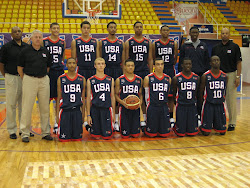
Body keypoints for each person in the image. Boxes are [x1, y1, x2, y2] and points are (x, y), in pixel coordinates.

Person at [17, 30, 53, 143]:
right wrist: (27, 79)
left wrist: (41, 76)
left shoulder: (45, 51)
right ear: (31, 38)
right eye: (36, 37)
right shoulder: (25, 51)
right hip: (29, 79)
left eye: (40, 37)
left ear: (42, 38)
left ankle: (45, 132)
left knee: (45, 108)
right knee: (27, 107)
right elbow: (19, 68)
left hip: (43, 80)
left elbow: (48, 67)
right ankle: (25, 133)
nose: (38, 39)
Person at [0, 26, 30, 139]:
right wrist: (6, 75)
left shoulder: (27, 47)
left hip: (25, 78)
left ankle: (24, 129)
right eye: (15, 32)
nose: (17, 33)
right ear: (11, 35)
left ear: (21, 33)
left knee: (24, 105)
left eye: (19, 31)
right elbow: (1, 64)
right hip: (11, 77)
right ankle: (12, 130)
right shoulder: (6, 47)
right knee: (11, 104)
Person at [211, 27, 242, 131]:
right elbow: (212, 62)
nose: (224, 35)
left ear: (229, 35)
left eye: (226, 33)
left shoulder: (235, 47)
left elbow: (239, 62)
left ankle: (232, 123)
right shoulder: (216, 48)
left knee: (231, 100)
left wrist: (238, 76)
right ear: (220, 34)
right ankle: (217, 121)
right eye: (222, 33)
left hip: (231, 74)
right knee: (217, 99)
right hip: (218, 76)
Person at [71, 20, 100, 128]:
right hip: (81, 70)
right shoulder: (76, 42)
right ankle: (82, 118)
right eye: (84, 28)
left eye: (88, 28)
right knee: (82, 96)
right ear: (81, 29)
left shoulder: (95, 41)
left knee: (93, 96)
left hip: (92, 70)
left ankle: (92, 118)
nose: (86, 30)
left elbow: (97, 58)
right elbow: (73, 60)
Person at [179, 26, 209, 124]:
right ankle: (187, 117)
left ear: (198, 33)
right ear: (190, 33)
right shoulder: (185, 46)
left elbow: (207, 61)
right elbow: (181, 61)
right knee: (188, 97)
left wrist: (205, 74)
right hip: (187, 76)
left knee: (199, 96)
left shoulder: (203, 45)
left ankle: (199, 116)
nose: (195, 34)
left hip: (200, 75)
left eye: (196, 32)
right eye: (193, 33)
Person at [125, 21, 153, 127]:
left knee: (145, 97)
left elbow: (150, 59)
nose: (139, 29)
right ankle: (130, 120)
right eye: (137, 27)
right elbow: (126, 59)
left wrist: (150, 74)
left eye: (141, 27)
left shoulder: (147, 42)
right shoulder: (129, 42)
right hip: (133, 72)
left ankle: (144, 119)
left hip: (145, 71)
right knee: (131, 97)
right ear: (134, 28)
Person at [99, 21, 125, 129]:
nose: (113, 29)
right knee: (106, 96)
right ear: (107, 29)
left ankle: (116, 121)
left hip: (117, 69)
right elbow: (100, 58)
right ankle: (106, 119)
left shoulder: (120, 43)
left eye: (114, 27)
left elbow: (123, 60)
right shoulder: (103, 42)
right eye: (111, 27)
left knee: (117, 95)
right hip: (107, 70)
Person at [43, 22, 66, 134]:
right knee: (46, 99)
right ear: (50, 29)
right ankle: (46, 123)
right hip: (49, 72)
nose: (56, 30)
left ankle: (57, 122)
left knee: (58, 99)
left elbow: (63, 57)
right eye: (54, 28)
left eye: (57, 28)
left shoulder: (62, 42)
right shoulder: (45, 41)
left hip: (59, 72)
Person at [153, 25, 178, 127]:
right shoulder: (156, 43)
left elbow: (175, 57)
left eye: (167, 30)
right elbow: (154, 57)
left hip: (169, 69)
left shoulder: (173, 43)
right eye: (164, 30)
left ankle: (171, 116)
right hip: (159, 69)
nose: (165, 32)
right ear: (160, 31)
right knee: (159, 91)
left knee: (170, 95)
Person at [56, 58, 85, 142]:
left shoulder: (81, 79)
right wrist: (57, 115)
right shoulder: (61, 79)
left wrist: (83, 114)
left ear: (76, 65)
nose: (72, 65)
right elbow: (59, 98)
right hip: (65, 111)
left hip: (77, 111)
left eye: (73, 63)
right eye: (69, 63)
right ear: (66, 65)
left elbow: (83, 99)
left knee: (77, 139)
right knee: (64, 140)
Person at [86, 58, 115, 139]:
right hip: (95, 109)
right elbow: (88, 98)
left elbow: (112, 96)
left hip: (106, 109)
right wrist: (88, 115)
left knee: (107, 136)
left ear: (105, 65)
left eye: (102, 63)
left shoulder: (110, 79)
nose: (101, 65)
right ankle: (89, 127)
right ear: (95, 66)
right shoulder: (90, 80)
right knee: (96, 137)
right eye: (98, 64)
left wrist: (114, 113)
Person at [199, 56, 227, 136]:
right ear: (210, 63)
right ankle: (202, 125)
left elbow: (225, 91)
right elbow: (201, 92)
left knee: (222, 132)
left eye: (218, 60)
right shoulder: (205, 76)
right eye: (214, 60)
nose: (216, 62)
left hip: (220, 104)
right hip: (209, 104)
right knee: (206, 133)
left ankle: (217, 125)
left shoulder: (225, 76)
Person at [115, 59, 143, 138]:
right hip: (124, 109)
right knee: (125, 135)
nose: (130, 67)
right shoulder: (119, 80)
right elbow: (116, 95)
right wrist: (122, 102)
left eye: (132, 66)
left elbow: (140, 94)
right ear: (124, 67)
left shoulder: (139, 79)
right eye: (128, 66)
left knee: (136, 135)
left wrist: (140, 102)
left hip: (135, 109)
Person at [144, 58, 171, 137]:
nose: (160, 66)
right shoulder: (148, 78)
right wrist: (148, 105)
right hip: (152, 106)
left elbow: (167, 93)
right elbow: (146, 94)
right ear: (154, 66)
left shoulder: (168, 79)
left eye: (162, 64)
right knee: (151, 134)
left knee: (165, 134)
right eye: (158, 64)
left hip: (163, 106)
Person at [172, 57, 200, 137]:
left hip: (192, 106)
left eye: (189, 64)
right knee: (180, 134)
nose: (188, 65)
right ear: (182, 65)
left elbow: (197, 93)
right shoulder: (176, 78)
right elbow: (174, 93)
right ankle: (176, 125)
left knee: (192, 133)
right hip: (181, 106)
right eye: (186, 64)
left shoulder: (196, 78)